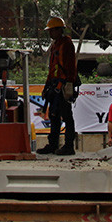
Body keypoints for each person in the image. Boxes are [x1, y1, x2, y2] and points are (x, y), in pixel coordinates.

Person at [37, 16, 78, 156]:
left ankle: (68, 146)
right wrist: (46, 86)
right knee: (53, 115)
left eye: (52, 30)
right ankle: (53, 144)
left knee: (66, 116)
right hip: (55, 84)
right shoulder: (55, 45)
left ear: (59, 30)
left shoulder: (66, 44)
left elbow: (70, 66)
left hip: (63, 84)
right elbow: (52, 68)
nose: (50, 33)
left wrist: (68, 84)